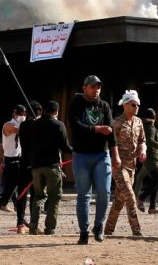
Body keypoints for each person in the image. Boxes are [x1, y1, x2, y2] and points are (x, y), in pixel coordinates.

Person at [68, 75, 119, 245]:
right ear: (84, 88)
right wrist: (97, 129)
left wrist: (115, 155)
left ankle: (98, 226)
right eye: (92, 87)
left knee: (104, 192)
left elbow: (111, 132)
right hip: (81, 155)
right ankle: (83, 231)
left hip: (101, 155)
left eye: (98, 87)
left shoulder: (104, 106)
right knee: (84, 195)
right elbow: (75, 126)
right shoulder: (76, 104)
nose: (96, 90)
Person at [105, 90, 146, 237]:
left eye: (138, 105)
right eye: (134, 105)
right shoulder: (116, 123)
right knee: (130, 196)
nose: (137, 107)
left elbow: (142, 141)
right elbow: (108, 142)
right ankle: (137, 230)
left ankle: (108, 230)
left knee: (118, 201)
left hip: (132, 167)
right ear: (126, 105)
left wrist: (143, 150)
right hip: (118, 166)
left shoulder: (139, 123)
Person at [27, 100, 72, 235]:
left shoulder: (34, 125)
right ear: (56, 112)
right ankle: (50, 228)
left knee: (38, 196)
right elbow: (65, 147)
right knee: (55, 197)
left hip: (36, 167)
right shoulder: (59, 125)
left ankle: (33, 224)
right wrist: (77, 150)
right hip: (52, 166)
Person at [0, 105, 27, 229]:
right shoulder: (8, 125)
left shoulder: (22, 125)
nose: (23, 117)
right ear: (15, 114)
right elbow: (19, 130)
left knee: (22, 192)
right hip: (10, 161)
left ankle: (20, 221)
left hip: (20, 160)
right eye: (21, 114)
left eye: (24, 115)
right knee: (9, 191)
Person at [136, 108, 158, 214]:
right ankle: (140, 198)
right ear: (154, 117)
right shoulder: (149, 127)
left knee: (156, 183)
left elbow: (157, 140)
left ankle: (152, 207)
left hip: (155, 158)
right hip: (151, 159)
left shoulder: (151, 127)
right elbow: (150, 141)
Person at [18, 101, 43, 234]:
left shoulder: (23, 125)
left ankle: (20, 224)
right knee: (35, 195)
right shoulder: (38, 126)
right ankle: (34, 224)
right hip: (35, 164)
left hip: (24, 163)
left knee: (22, 195)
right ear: (38, 113)